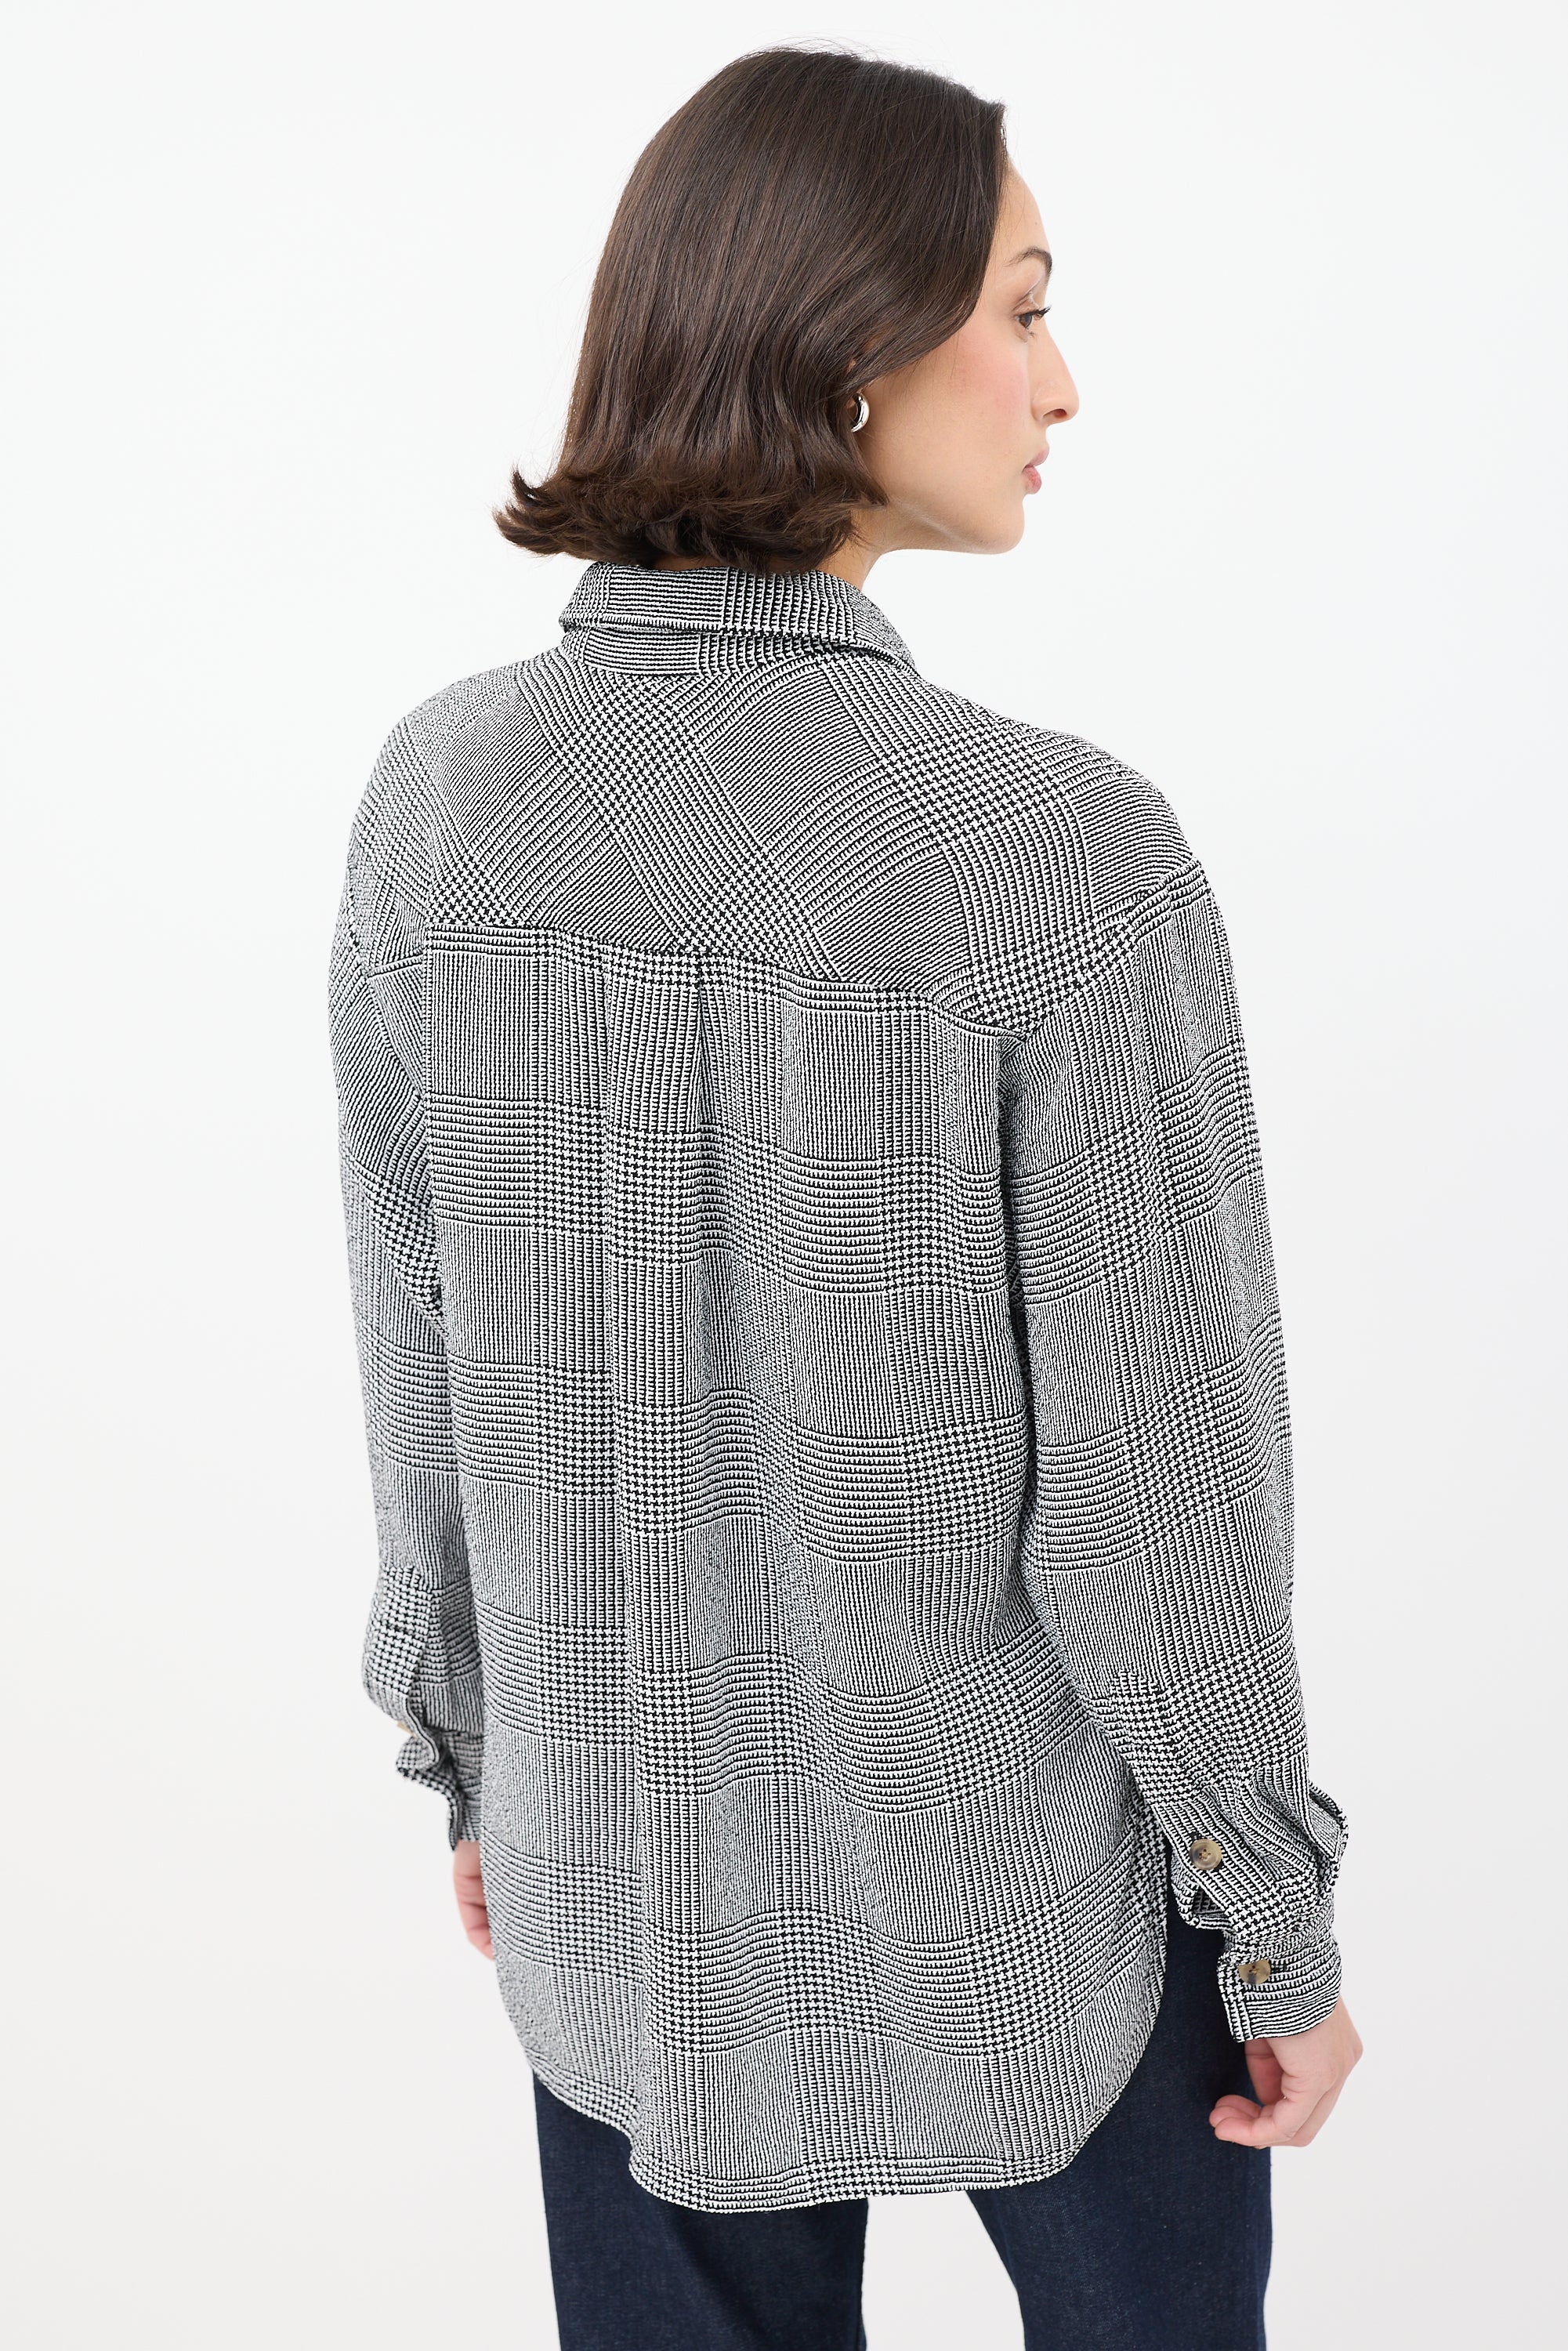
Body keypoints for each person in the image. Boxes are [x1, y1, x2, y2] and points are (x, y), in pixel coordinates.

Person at [327, 42, 1361, 2351]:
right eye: (1024, 308)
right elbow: (1157, 1495)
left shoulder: (438, 803)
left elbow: (425, 1373)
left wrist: (479, 1765)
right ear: (849, 343)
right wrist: (1271, 1916)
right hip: (1040, 1918)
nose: (1061, 384)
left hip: (623, 1905)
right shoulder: (1050, 853)